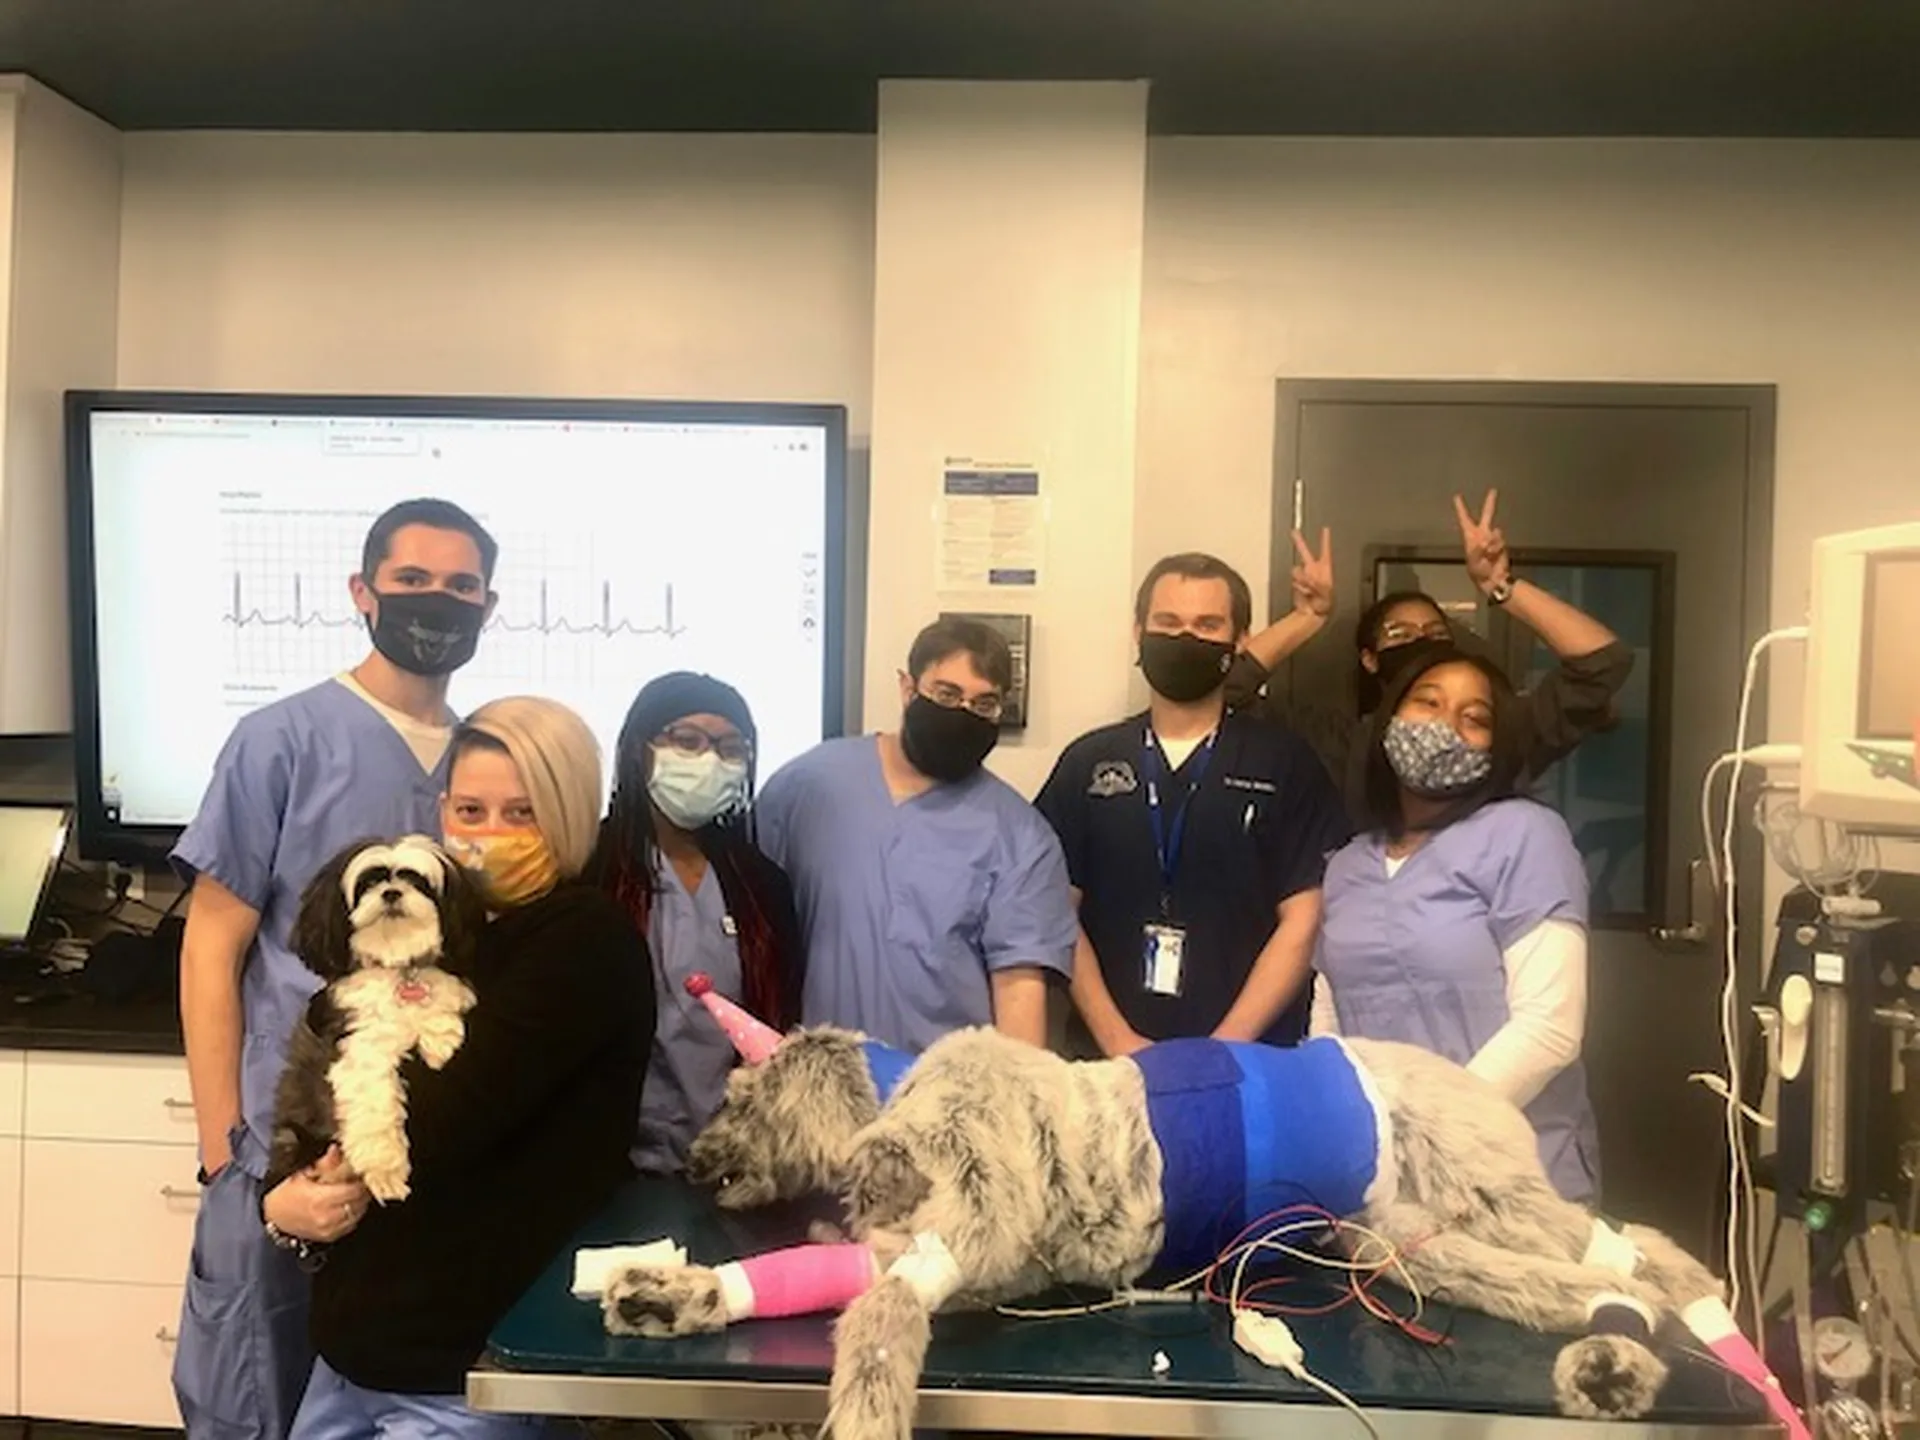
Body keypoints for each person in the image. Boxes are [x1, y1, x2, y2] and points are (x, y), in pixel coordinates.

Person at [169, 498, 498, 1440]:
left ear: (489, 605)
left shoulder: (482, 766)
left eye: (461, 587)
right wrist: (225, 1158)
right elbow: (212, 947)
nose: (437, 602)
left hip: (413, 1151)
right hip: (284, 1145)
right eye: (412, 581)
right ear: (363, 591)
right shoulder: (280, 740)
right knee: (257, 1395)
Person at [265, 696, 652, 1438]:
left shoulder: (583, 942)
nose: (490, 834)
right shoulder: (439, 938)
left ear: (571, 816)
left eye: (522, 814)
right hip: (354, 1351)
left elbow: (440, 1122)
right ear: (441, 812)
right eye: (471, 811)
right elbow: (309, 1104)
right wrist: (283, 1202)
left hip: (465, 1369)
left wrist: (342, 1052)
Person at [1310, 641, 1600, 1203]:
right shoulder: (1348, 865)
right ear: (1390, 718)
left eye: (1475, 718)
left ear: (1497, 746)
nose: (1446, 726)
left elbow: (1550, 1026)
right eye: (1428, 702)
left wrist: (1432, 1134)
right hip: (1381, 1178)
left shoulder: (1526, 835)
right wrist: (1345, 1128)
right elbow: (1328, 1022)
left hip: (1511, 1172)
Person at [1036, 553, 1350, 1056]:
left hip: (1251, 1056)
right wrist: (1118, 1041)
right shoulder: (1089, 762)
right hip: (1106, 1062)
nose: (1185, 638)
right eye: (1168, 622)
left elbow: (1304, 919)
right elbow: (1053, 908)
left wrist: (1224, 1047)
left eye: (1207, 625)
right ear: (1138, 632)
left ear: (1240, 640)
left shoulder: (1285, 762)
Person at [753, 618, 1077, 1053]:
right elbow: (752, 926)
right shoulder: (809, 786)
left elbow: (1019, 995)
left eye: (984, 704)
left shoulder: (1021, 835)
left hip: (941, 1086)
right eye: (947, 694)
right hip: (816, 1075)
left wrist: (1015, 1092)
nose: (963, 713)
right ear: (908, 688)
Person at [1225, 490, 1634, 808]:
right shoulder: (1342, 744)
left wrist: (1500, 586)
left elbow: (1601, 663)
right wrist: (1307, 618)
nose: (1419, 641)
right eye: (1400, 634)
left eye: (1434, 632)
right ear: (1370, 659)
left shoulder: (1502, 733)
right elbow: (1224, 695)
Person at [590, 671, 805, 1175]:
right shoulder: (591, 871)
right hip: (613, 1161)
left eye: (730, 748)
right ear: (639, 749)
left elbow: (780, 1018)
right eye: (687, 741)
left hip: (740, 1157)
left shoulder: (761, 885)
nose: (709, 760)